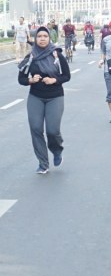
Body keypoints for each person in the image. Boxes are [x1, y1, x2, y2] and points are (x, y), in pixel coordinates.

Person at [18, 26, 70, 174]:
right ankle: (43, 163)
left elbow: (67, 76)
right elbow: (21, 79)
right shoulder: (31, 57)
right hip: (36, 97)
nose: (42, 38)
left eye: (45, 36)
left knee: (52, 131)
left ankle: (57, 149)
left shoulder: (57, 55)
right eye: (39, 36)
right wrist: (30, 80)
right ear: (35, 39)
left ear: (49, 38)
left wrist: (54, 80)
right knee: (36, 129)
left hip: (55, 96)